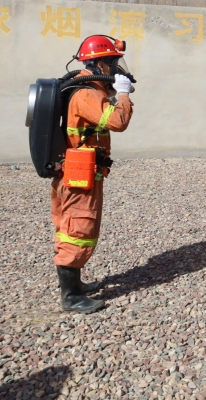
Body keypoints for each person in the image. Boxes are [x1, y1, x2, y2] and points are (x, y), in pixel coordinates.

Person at [52, 35, 134, 314]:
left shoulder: (86, 88)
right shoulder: (86, 93)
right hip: (79, 177)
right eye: (113, 63)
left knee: (72, 227)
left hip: (79, 172)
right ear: (99, 64)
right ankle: (71, 297)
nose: (116, 69)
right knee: (79, 229)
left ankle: (75, 285)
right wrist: (123, 95)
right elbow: (118, 121)